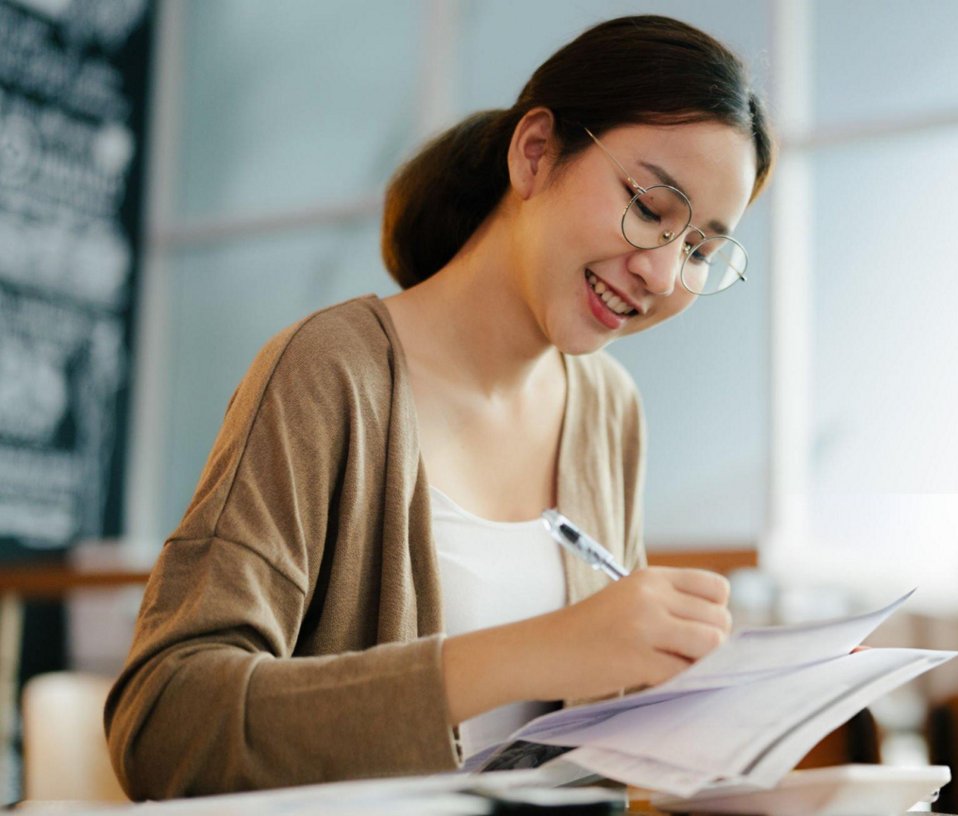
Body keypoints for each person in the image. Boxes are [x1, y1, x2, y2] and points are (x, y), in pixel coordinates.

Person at [105, 14, 774, 799]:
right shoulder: (331, 373)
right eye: (651, 205)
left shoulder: (608, 411)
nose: (663, 273)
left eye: (699, 251)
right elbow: (166, 725)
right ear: (535, 153)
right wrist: (541, 650)